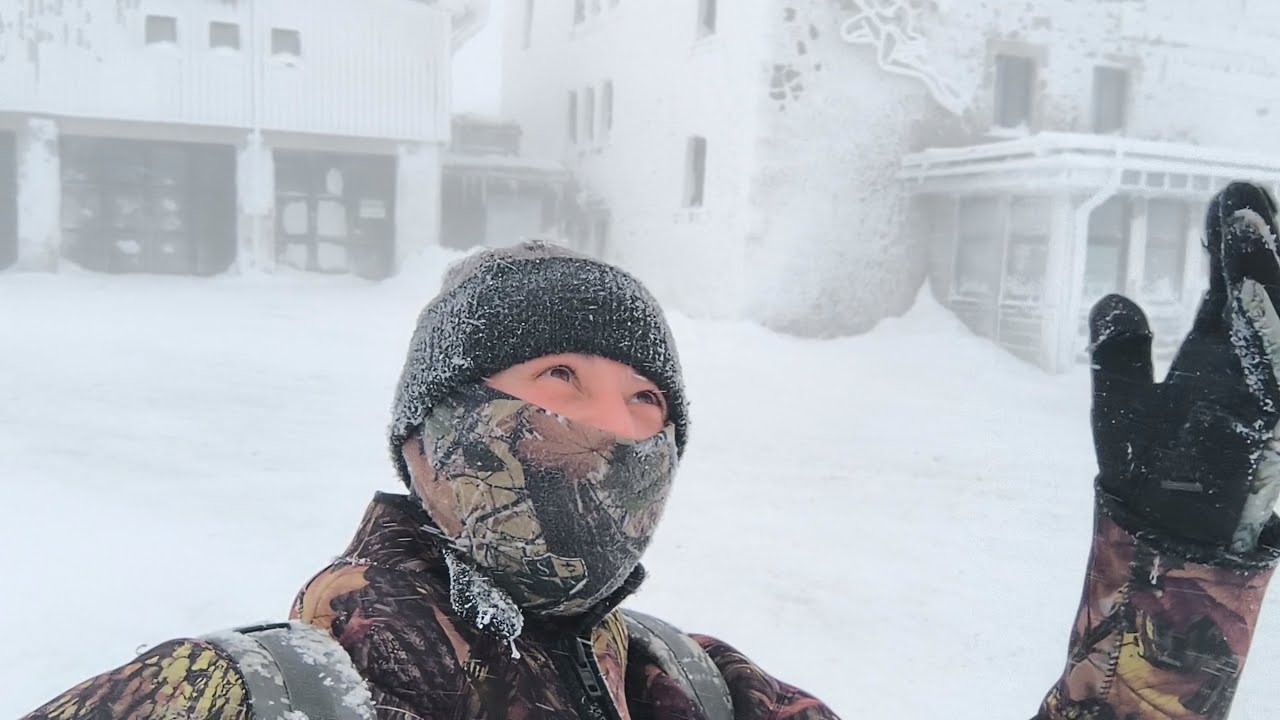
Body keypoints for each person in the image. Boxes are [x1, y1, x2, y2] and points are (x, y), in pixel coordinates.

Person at [19, 182, 1280, 720]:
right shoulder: (237, 698)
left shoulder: (697, 696)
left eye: (642, 406)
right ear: (424, 433)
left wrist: (1178, 572)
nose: (602, 430)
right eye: (553, 377)